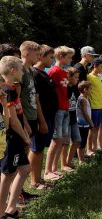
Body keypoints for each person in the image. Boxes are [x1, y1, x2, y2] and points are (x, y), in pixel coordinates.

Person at [0, 56, 31, 219]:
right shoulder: (7, 89)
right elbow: (12, 120)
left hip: (13, 136)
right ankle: (2, 213)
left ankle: (10, 208)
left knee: (24, 168)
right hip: (11, 137)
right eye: (20, 68)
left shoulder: (10, 88)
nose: (23, 71)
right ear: (12, 71)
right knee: (8, 174)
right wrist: (26, 137)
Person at [45, 46, 74, 181]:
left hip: (65, 108)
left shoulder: (64, 72)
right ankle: (47, 170)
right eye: (69, 57)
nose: (71, 59)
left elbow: (66, 90)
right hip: (57, 110)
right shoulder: (53, 71)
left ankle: (54, 168)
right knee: (55, 140)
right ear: (61, 57)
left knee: (61, 140)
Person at [31, 45, 58, 189]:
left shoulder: (44, 73)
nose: (52, 60)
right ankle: (34, 181)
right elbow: (36, 100)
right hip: (41, 117)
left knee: (41, 149)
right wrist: (41, 121)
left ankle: (39, 178)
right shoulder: (35, 74)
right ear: (41, 56)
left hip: (49, 116)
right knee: (36, 149)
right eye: (50, 57)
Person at [19, 42, 43, 188]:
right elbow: (17, 100)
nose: (39, 57)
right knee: (20, 157)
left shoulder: (30, 71)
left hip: (32, 116)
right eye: (36, 54)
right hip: (24, 119)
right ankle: (15, 194)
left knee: (25, 153)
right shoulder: (19, 70)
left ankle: (20, 191)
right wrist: (25, 122)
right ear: (27, 54)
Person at [87, 58, 102, 155]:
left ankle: (94, 147)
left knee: (97, 128)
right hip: (93, 107)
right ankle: (89, 149)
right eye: (101, 67)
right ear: (95, 66)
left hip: (100, 106)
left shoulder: (98, 77)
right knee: (92, 129)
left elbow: (101, 93)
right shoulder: (89, 77)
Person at [64, 67, 81, 170]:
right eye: (75, 77)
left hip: (74, 117)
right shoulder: (65, 88)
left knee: (77, 140)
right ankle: (64, 164)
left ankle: (69, 161)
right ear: (68, 77)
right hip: (66, 117)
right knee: (65, 143)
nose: (77, 79)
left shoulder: (75, 87)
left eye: (78, 77)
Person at [76, 81, 94, 164]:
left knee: (83, 142)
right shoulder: (82, 99)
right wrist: (91, 122)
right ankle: (81, 160)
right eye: (90, 89)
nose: (91, 90)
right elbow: (85, 113)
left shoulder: (84, 98)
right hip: (82, 124)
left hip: (84, 124)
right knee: (81, 143)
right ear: (85, 90)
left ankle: (82, 157)